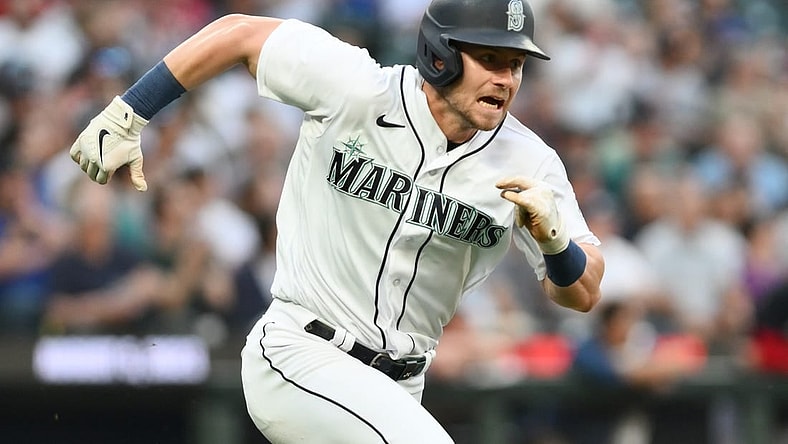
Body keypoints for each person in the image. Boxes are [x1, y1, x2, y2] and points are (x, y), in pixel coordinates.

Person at [67, 0, 605, 442]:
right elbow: (238, 34)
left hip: (401, 388)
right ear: (440, 55)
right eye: (490, 58)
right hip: (303, 353)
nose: (505, 79)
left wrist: (555, 243)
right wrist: (129, 111)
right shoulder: (356, 86)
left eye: (515, 64)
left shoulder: (529, 162)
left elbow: (582, 292)